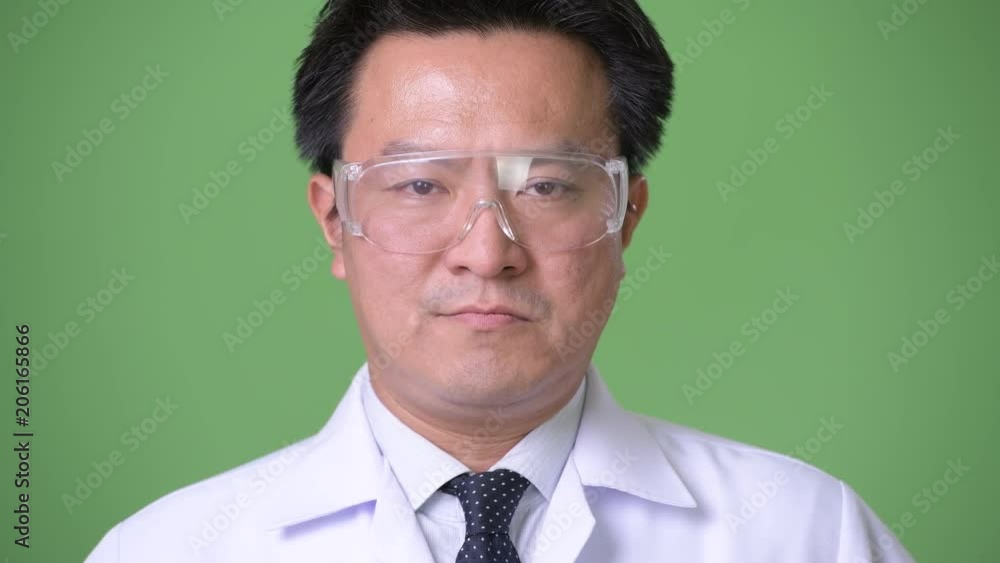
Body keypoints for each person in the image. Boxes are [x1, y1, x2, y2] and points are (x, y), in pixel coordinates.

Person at [85, 1, 916, 561]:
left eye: (546, 185)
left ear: (626, 217)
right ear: (335, 219)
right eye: (421, 184)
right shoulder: (166, 549)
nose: (487, 253)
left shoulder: (806, 536)